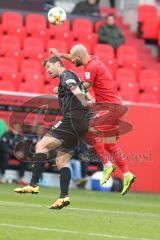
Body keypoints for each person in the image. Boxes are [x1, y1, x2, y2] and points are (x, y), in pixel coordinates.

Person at [50, 44, 136, 196]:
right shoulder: (93, 60)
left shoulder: (91, 67)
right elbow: (74, 56)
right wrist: (59, 54)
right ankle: (127, 174)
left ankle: (107, 165)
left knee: (89, 129)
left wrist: (63, 87)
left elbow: (84, 87)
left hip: (110, 108)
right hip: (115, 107)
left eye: (74, 59)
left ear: (79, 58)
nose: (73, 61)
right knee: (110, 145)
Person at [14, 56, 92, 209]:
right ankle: (63, 197)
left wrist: (83, 101)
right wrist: (87, 100)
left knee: (41, 146)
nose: (48, 70)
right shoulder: (73, 76)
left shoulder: (66, 76)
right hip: (82, 123)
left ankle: (33, 184)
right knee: (61, 161)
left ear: (58, 64)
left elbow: (74, 88)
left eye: (49, 66)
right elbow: (84, 90)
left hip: (72, 120)